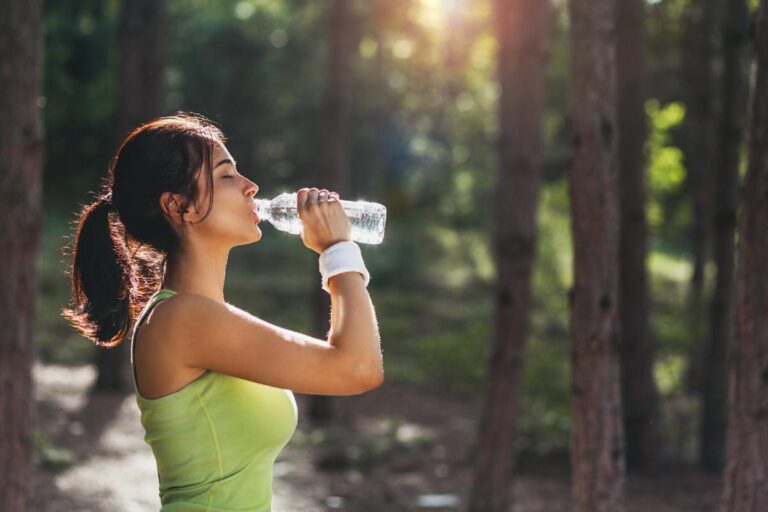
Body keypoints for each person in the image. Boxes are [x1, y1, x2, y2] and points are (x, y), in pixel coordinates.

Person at [61, 113, 383, 511]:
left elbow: (350, 363)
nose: (251, 187)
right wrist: (337, 250)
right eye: (227, 175)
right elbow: (357, 368)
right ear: (180, 206)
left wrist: (339, 252)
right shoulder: (184, 319)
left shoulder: (202, 316)